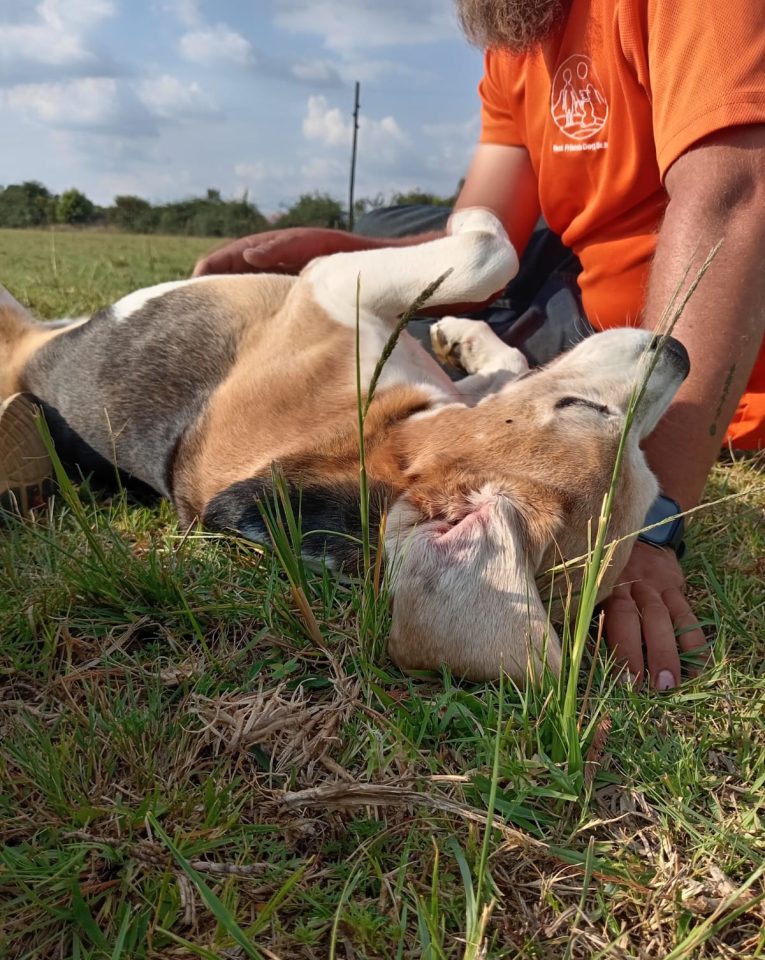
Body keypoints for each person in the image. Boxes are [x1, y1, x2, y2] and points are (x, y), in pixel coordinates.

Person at [193, 0, 765, 692]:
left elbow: (735, 195)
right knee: (390, 222)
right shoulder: (517, 30)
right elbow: (489, 230)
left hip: (708, 337)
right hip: (581, 297)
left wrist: (644, 521)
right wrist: (337, 250)